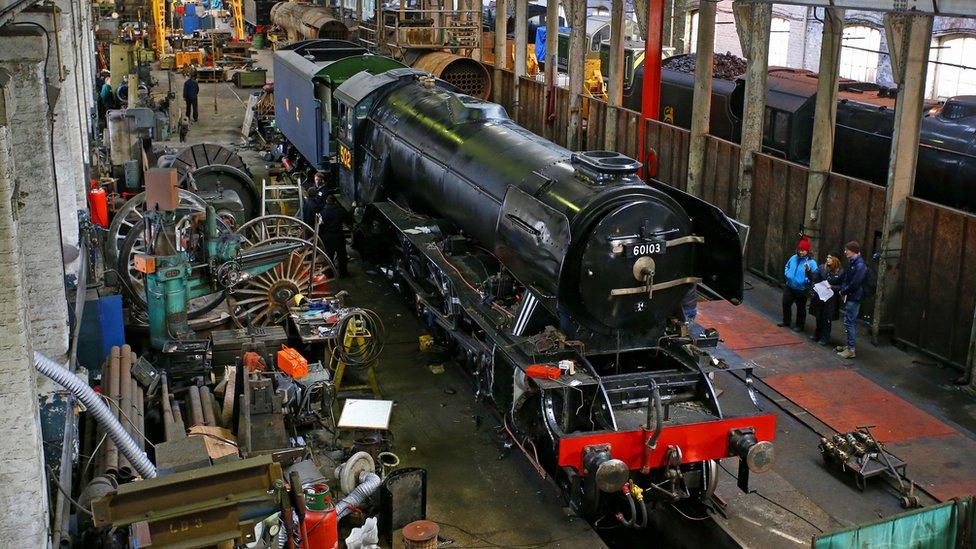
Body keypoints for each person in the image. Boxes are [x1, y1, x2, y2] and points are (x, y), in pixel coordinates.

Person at [303, 173, 350, 278]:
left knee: (329, 255)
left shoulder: (322, 213)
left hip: (328, 237)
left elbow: (320, 224)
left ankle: (329, 273)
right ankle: (343, 272)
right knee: (342, 255)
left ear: (327, 202)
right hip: (339, 235)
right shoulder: (340, 211)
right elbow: (347, 219)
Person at [779, 236, 818, 332]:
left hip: (802, 289)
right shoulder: (793, 258)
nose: (801, 252)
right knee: (786, 303)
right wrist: (787, 274)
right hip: (790, 286)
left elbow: (814, 277)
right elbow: (787, 266)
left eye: (803, 250)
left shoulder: (811, 263)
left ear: (807, 251)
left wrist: (806, 281)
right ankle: (786, 321)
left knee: (801, 308)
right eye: (800, 250)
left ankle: (799, 325)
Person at [836, 241, 867, 359]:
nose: (845, 252)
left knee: (850, 322)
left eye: (847, 250)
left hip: (854, 297)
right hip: (852, 296)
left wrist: (843, 291)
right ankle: (848, 346)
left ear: (853, 251)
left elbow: (855, 283)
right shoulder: (854, 263)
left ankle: (851, 349)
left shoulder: (859, 265)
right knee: (848, 321)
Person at [806, 254, 843, 346]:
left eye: (830, 257)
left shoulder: (841, 272)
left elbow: (842, 286)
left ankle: (825, 337)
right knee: (818, 316)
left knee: (827, 318)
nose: (827, 259)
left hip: (831, 299)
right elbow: (814, 278)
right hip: (820, 296)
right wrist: (808, 271)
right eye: (827, 257)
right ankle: (817, 333)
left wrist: (832, 287)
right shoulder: (822, 267)